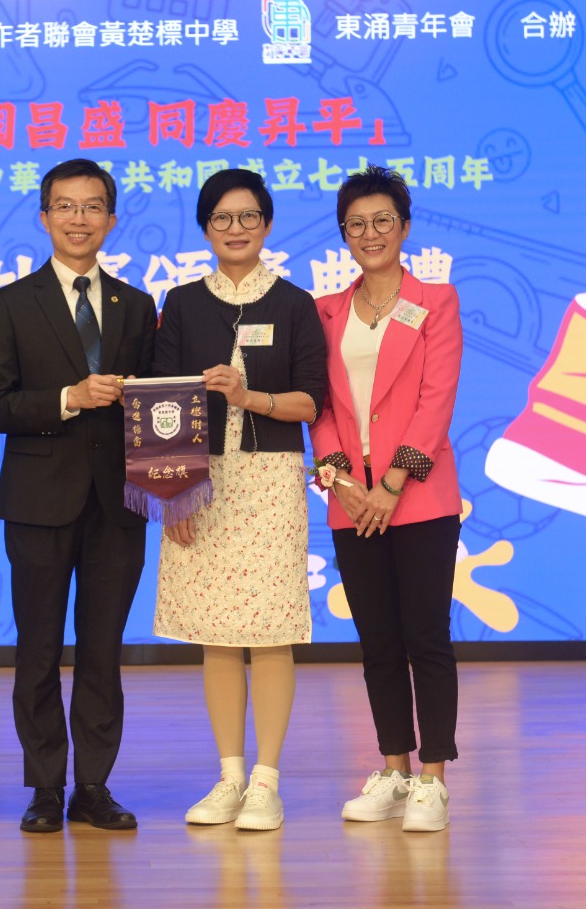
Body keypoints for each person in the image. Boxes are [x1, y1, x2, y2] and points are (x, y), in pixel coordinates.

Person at [0, 158, 158, 833]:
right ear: (44, 216)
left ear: (110, 219)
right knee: (38, 648)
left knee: (103, 648)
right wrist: (68, 398)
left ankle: (93, 784)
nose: (78, 219)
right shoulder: (11, 303)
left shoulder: (135, 305)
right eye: (65, 206)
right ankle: (45, 786)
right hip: (38, 500)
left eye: (91, 207)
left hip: (118, 504)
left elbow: (156, 407)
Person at [152, 168, 327, 832]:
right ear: (205, 228)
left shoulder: (295, 304)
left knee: (272, 631)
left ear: (267, 224)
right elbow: (162, 398)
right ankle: (229, 777)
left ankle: (266, 782)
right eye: (222, 218)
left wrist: (248, 396)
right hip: (200, 484)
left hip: (271, 481)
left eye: (248, 216)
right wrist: (175, 492)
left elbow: (311, 402)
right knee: (216, 635)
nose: (235, 228)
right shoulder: (182, 303)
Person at [309, 166, 464, 832]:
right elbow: (319, 407)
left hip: (419, 497)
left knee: (425, 635)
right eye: (356, 224)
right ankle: (393, 768)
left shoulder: (436, 301)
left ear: (404, 227)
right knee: (377, 641)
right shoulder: (325, 311)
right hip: (351, 501)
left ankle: (433, 778)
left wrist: (392, 483)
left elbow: (436, 399)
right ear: (343, 234)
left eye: (382, 221)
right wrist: (345, 483)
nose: (369, 234)